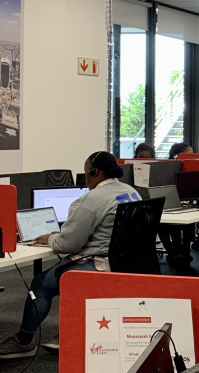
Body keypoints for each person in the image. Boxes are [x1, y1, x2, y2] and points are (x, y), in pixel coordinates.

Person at [0, 152, 141, 359]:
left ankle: (24, 341)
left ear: (95, 172)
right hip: (129, 263)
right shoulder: (130, 191)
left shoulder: (91, 199)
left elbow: (68, 244)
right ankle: (75, 331)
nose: (85, 178)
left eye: (86, 173)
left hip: (100, 265)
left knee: (40, 284)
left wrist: (49, 239)